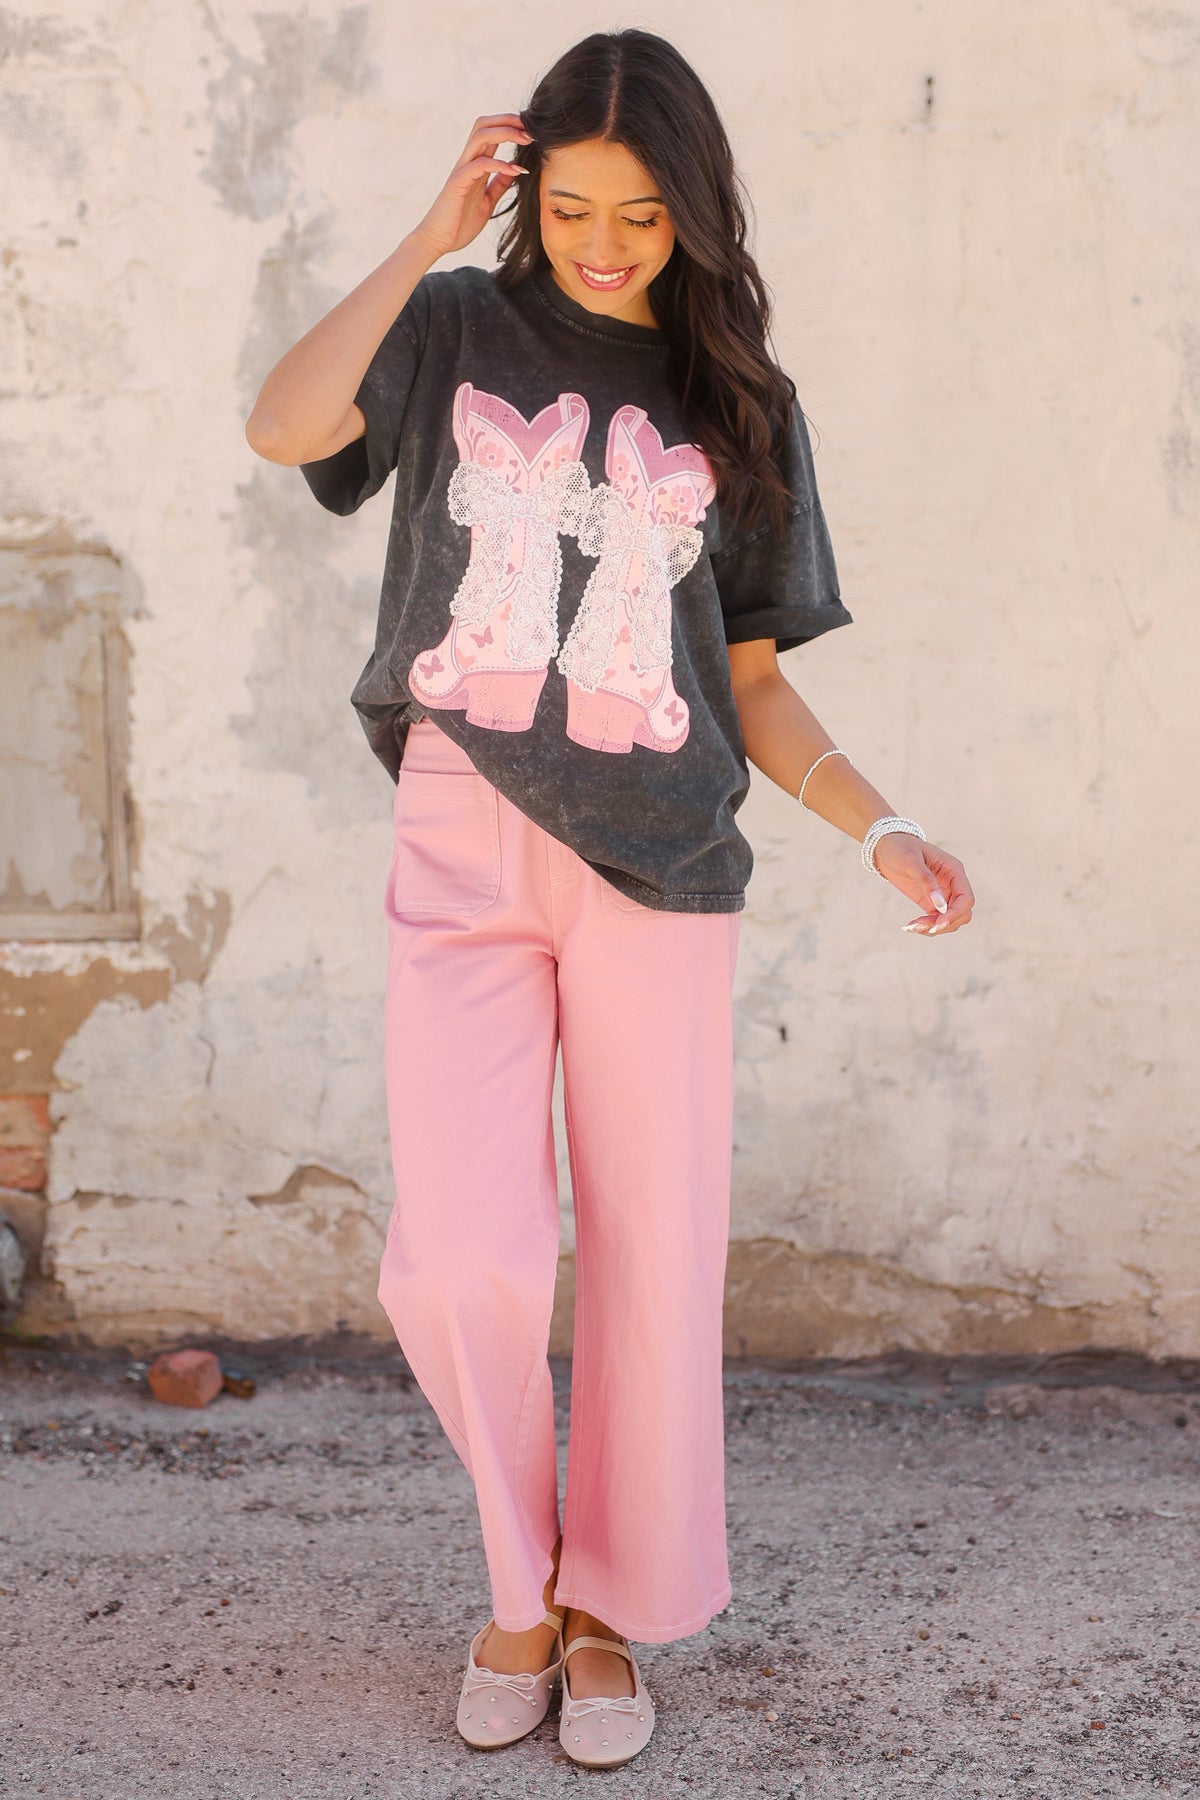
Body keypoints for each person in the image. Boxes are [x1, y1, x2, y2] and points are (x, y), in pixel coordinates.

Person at [245, 27, 974, 1772]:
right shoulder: (453, 328)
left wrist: (884, 831)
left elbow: (759, 692)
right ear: (529, 195)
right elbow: (282, 430)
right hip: (464, 819)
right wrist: (431, 232)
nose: (604, 242)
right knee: (466, 1256)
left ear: (692, 215)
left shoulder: (744, 405)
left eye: (642, 214)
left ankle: (604, 1616)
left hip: (660, 870)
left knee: (656, 1258)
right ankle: (515, 1581)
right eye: (572, 206)